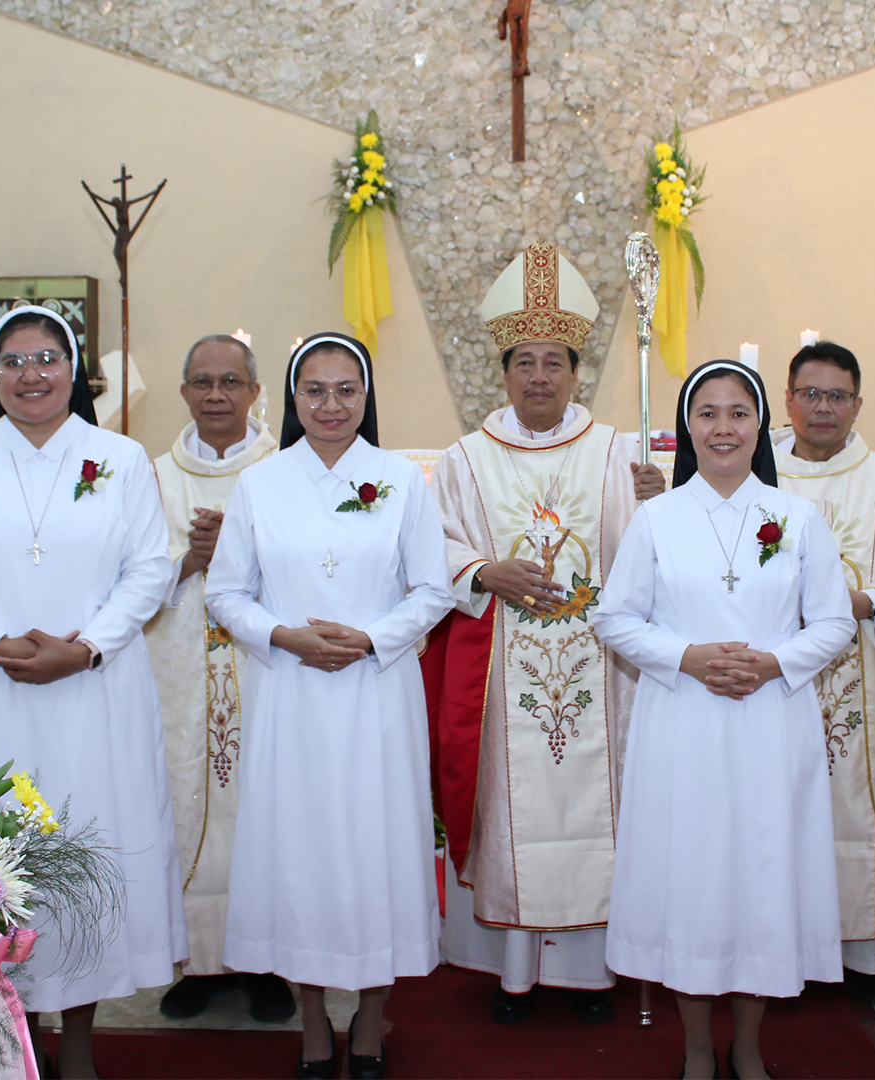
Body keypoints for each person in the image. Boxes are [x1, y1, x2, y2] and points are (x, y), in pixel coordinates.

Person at [0, 305, 183, 1079]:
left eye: (48, 358)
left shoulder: (120, 459)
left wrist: (84, 647)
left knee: (86, 854)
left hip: (94, 692)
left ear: (75, 370)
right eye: (15, 361)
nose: (32, 375)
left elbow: (149, 569)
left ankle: (81, 1042)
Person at [590, 359, 853, 1080]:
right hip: (684, 725)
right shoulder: (657, 518)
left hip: (771, 721)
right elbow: (614, 618)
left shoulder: (797, 517)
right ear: (687, 428)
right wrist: (688, 656)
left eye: (738, 412)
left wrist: (771, 662)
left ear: (761, 423)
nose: (723, 427)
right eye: (707, 413)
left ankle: (749, 1045)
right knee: (695, 882)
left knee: (762, 879)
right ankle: (699, 1048)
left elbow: (833, 625)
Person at [424, 240, 665, 1024]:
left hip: (600, 672)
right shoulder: (464, 459)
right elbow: (437, 548)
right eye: (523, 362)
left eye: (552, 363)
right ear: (503, 373)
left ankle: (592, 976)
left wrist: (659, 504)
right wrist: (483, 573)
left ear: (573, 372)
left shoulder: (615, 454)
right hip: (503, 674)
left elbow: (648, 555)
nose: (537, 377)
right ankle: (517, 976)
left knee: (600, 809)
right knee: (512, 811)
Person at [206, 333, 454, 1080]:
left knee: (378, 853)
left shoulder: (403, 481)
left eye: (347, 390)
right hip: (291, 695)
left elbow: (434, 589)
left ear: (366, 397)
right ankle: (313, 1022)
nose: (331, 405)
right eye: (314, 390)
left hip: (377, 695)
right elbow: (225, 593)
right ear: (291, 399)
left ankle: (372, 1020)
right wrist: (285, 636)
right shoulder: (260, 484)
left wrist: (373, 638)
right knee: (299, 857)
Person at [143, 334, 292, 1023]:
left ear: (256, 392)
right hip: (176, 670)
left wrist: (237, 554)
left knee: (266, 805)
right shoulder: (149, 477)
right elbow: (124, 577)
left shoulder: (288, 471)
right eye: (202, 382)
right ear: (184, 393)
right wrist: (189, 560)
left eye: (231, 382)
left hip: (265, 671)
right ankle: (199, 962)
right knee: (185, 802)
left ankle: (269, 963)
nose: (216, 396)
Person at [771, 340, 875, 1003]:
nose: (822, 408)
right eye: (810, 394)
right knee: (783, 804)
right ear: (788, 400)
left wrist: (861, 602)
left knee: (856, 807)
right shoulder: (752, 473)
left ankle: (862, 955)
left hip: (866, 669)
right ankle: (778, 946)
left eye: (837, 396)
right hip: (775, 677)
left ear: (858, 404)